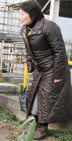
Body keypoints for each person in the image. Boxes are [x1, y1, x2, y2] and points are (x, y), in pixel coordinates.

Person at [19, 0, 72, 140]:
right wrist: (30, 67)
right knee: (35, 97)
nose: (20, 17)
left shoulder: (49, 27)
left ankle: (43, 128)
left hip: (53, 68)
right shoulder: (24, 30)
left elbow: (60, 52)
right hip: (39, 69)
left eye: (23, 14)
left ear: (33, 14)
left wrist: (59, 74)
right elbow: (28, 51)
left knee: (46, 99)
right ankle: (35, 125)